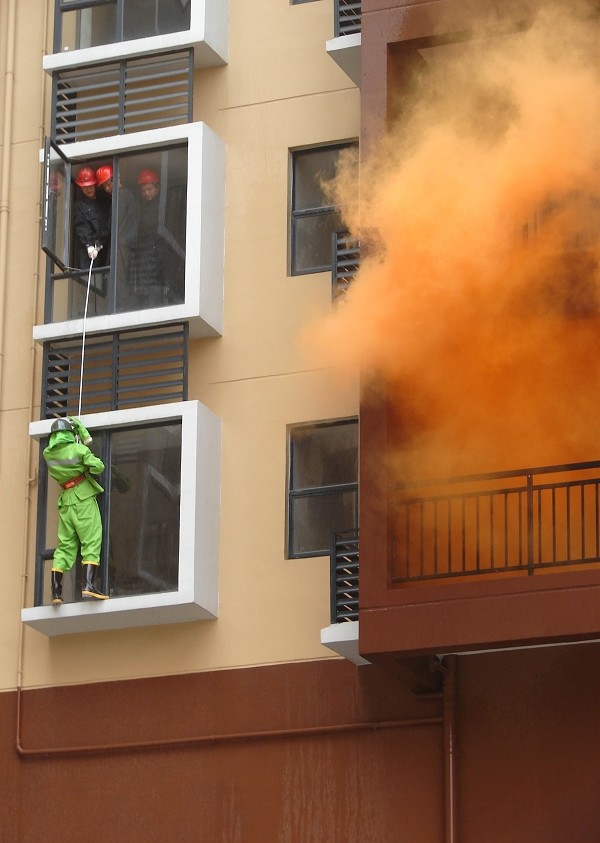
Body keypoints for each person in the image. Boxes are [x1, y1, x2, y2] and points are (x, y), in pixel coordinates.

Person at [43, 416, 109, 604]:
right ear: (70, 434)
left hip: (65, 502)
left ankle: (56, 593)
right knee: (91, 540)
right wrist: (84, 435)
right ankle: (89, 585)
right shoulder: (78, 449)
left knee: (65, 546)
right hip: (82, 498)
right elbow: (99, 467)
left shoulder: (47, 454)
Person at [133, 168, 185, 308]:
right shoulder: (143, 208)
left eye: (149, 189)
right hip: (150, 256)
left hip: (165, 252)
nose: (146, 193)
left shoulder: (165, 205)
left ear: (157, 187)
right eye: (143, 190)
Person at [96, 164, 139, 311]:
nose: (107, 188)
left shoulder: (121, 197)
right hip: (125, 243)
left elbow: (113, 224)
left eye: (108, 184)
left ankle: (121, 308)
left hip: (121, 244)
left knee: (119, 278)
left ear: (117, 178)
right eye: (105, 186)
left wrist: (99, 241)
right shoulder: (127, 196)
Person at [72, 166, 111, 271]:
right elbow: (81, 225)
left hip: (103, 246)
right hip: (89, 251)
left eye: (90, 186)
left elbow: (108, 224)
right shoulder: (80, 206)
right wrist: (89, 244)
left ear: (94, 184)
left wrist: (100, 243)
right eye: (85, 187)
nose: (88, 189)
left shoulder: (104, 202)